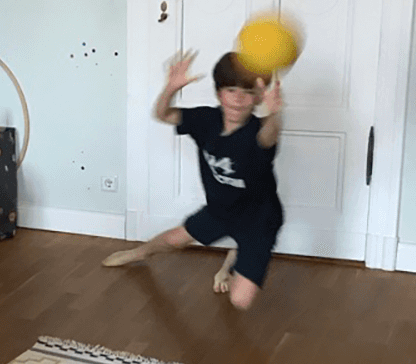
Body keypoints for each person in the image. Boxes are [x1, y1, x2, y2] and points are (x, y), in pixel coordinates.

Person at [103, 50, 284, 311]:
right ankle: (140, 252)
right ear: (219, 93)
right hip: (220, 211)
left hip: (259, 220)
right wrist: (171, 87)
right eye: (231, 90)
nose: (238, 98)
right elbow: (162, 114)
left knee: (239, 300)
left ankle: (231, 262)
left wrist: (275, 113)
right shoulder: (205, 120)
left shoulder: (259, 132)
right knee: (172, 241)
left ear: (258, 99)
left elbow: (270, 135)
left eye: (247, 92)